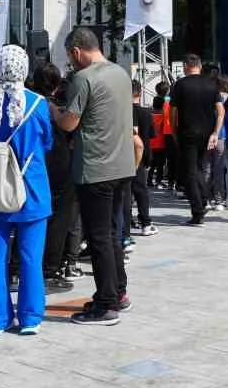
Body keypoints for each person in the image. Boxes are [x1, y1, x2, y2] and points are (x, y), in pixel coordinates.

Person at [52, 28, 139, 325]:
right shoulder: (120, 74)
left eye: (70, 57)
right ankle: (119, 292)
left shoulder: (83, 78)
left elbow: (69, 123)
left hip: (95, 169)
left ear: (77, 52)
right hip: (123, 166)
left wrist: (52, 110)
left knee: (99, 237)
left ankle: (105, 305)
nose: (71, 63)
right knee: (112, 234)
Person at [0, 45, 55, 336]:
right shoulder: (38, 103)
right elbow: (47, 143)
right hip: (31, 188)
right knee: (31, 256)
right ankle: (30, 317)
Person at [30, 62, 78, 292]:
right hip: (58, 164)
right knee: (59, 219)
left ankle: (18, 269)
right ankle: (49, 271)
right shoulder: (58, 106)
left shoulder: (26, 101)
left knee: (28, 216)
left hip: (31, 164)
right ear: (57, 84)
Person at [169, 54, 223, 225]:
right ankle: (203, 200)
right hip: (207, 133)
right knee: (200, 167)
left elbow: (173, 112)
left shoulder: (179, 85)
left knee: (190, 172)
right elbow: (220, 111)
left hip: (187, 132)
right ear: (199, 66)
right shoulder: (211, 84)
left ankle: (198, 210)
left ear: (186, 66)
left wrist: (173, 130)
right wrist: (215, 132)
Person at [130, 81, 157, 234]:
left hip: (125, 156)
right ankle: (145, 222)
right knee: (141, 191)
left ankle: (128, 221)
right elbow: (151, 135)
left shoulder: (122, 111)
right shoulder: (147, 113)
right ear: (140, 93)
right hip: (142, 156)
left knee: (126, 192)